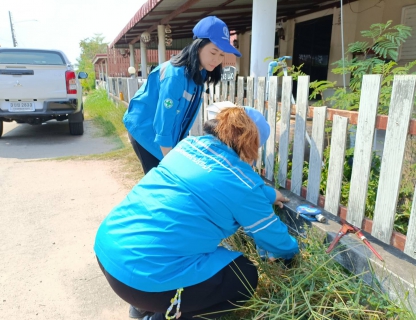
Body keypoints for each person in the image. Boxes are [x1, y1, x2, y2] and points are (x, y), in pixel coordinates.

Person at [95, 106, 299, 320]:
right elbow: (275, 239)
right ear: (251, 144)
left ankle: (142, 308)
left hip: (109, 252)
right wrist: (293, 254)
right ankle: (158, 315)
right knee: (242, 275)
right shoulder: (243, 184)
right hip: (144, 280)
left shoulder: (188, 146)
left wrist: (267, 194)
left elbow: (212, 181)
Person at [123, 16, 242, 174]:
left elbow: (183, 116)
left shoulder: (200, 73)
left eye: (222, 55)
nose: (217, 59)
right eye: (213, 52)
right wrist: (170, 162)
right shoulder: (175, 75)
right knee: (163, 180)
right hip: (145, 129)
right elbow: (164, 120)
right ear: (198, 46)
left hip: (163, 131)